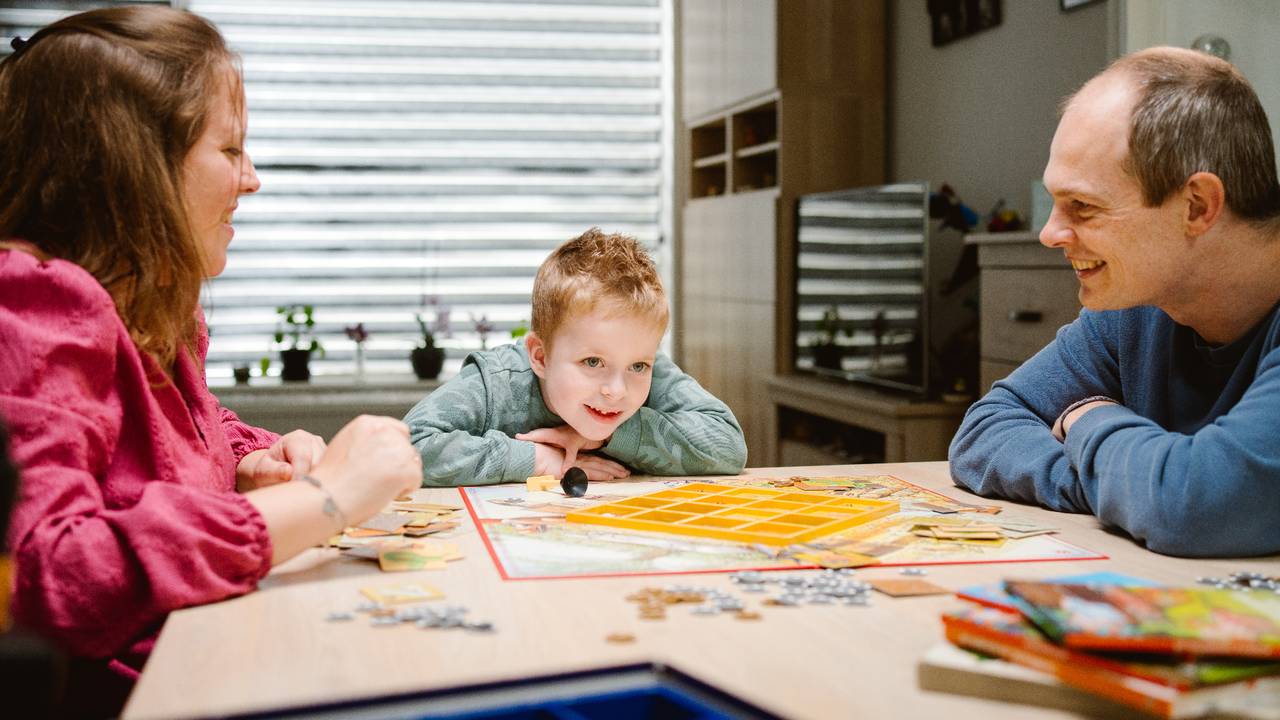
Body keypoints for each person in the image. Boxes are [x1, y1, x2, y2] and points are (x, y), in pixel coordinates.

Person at [0, 7, 422, 713]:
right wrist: (324, 500)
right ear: (131, 167)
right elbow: (53, 575)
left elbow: (171, 444)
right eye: (230, 152)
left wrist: (256, 459)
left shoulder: (153, 302)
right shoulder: (35, 304)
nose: (251, 179)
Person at [949, 47, 1280, 558]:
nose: (1050, 234)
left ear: (1197, 206)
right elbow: (985, 428)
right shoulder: (1142, 302)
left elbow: (1197, 506)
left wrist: (1088, 420)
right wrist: (1123, 487)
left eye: (1081, 207)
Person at [404, 228, 748, 486]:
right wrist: (539, 461)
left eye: (638, 366)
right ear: (540, 356)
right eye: (592, 362)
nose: (616, 390)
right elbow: (407, 447)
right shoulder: (496, 382)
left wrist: (602, 437)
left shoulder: (648, 370)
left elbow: (729, 445)